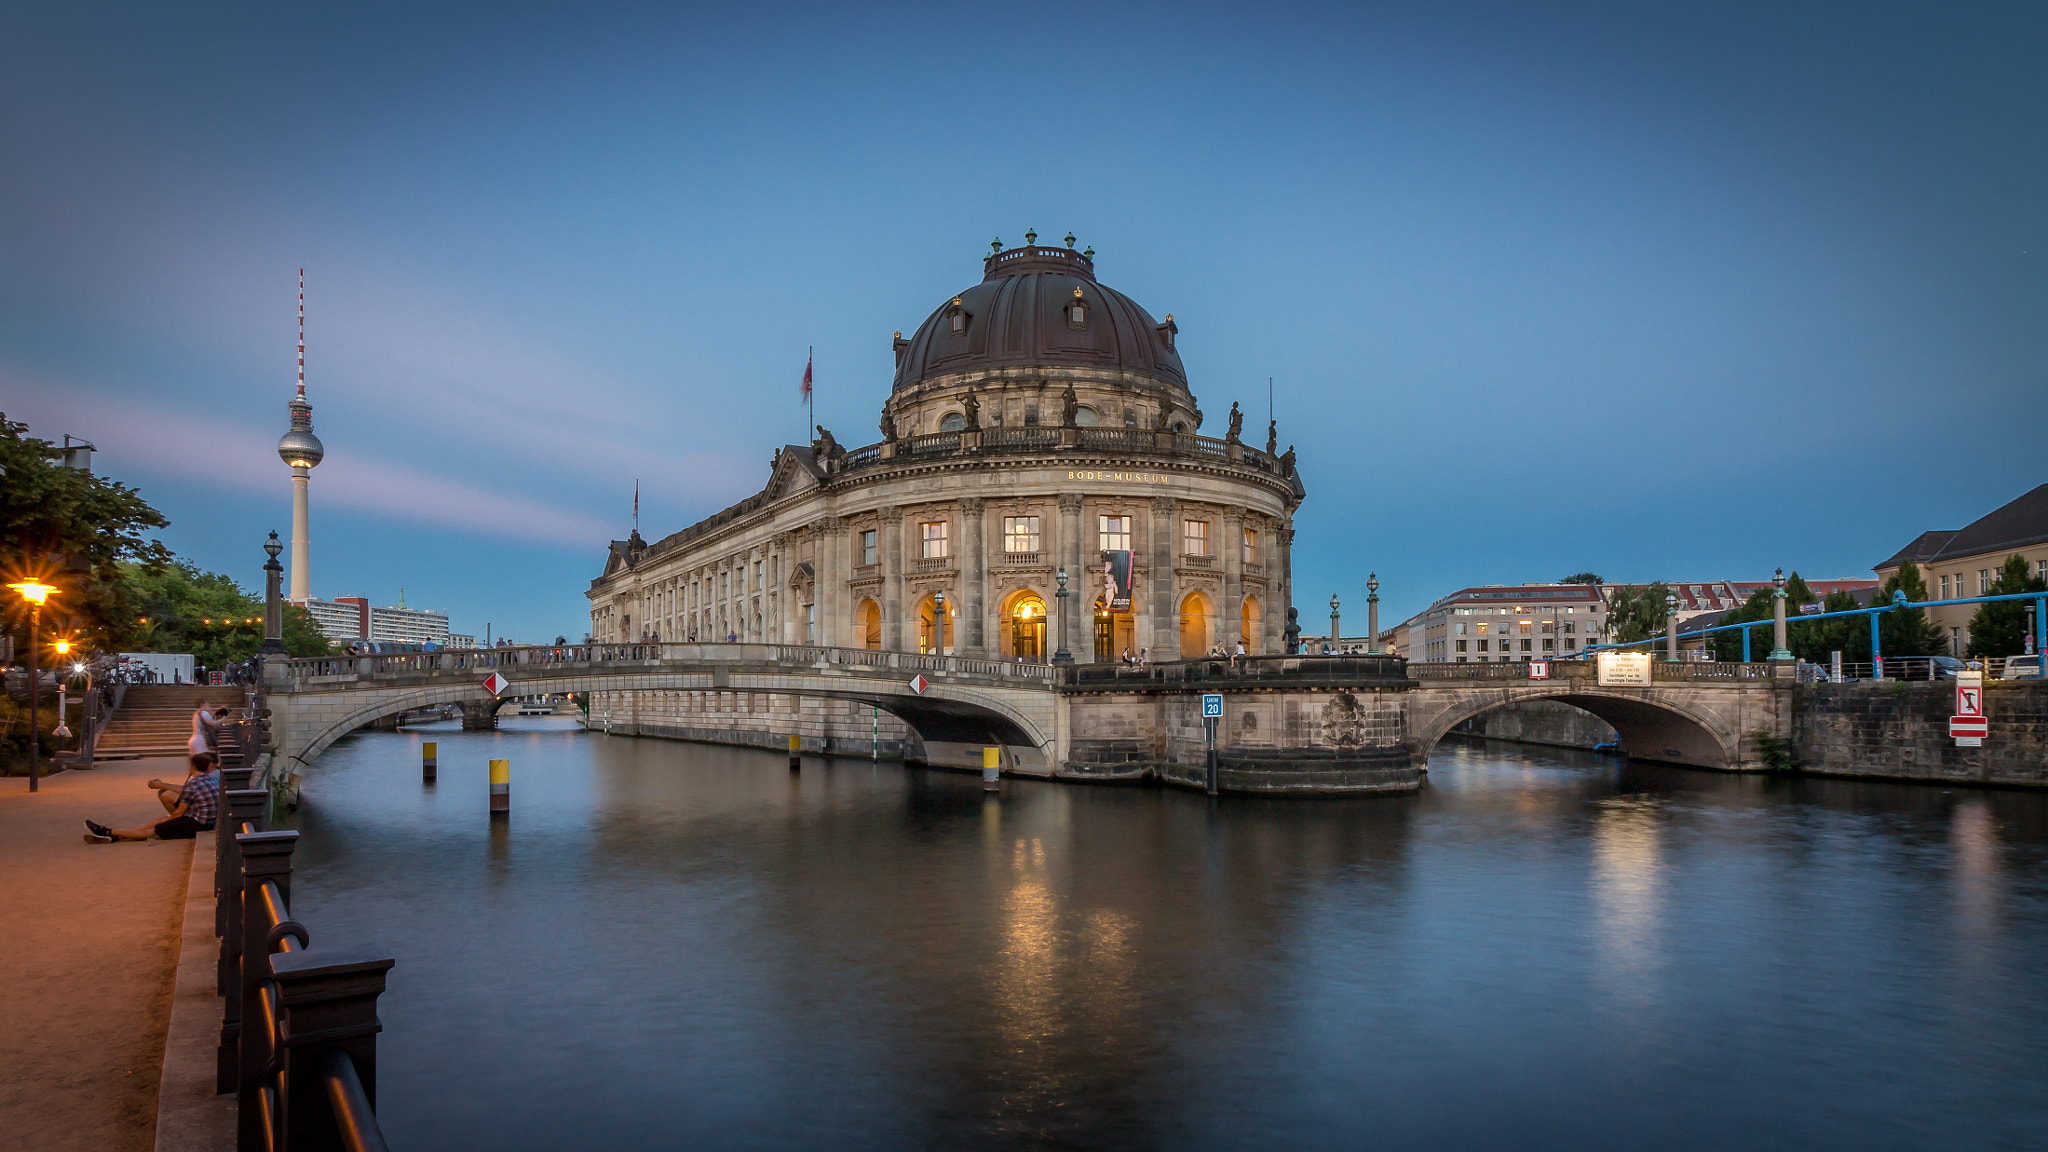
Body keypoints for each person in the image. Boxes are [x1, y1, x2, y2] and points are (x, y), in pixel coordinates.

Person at [85, 752, 220, 843]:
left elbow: (179, 813)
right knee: (159, 819)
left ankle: (109, 832)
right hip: (206, 822)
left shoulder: (193, 784)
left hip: (198, 825)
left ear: (193, 766)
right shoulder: (210, 779)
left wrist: (167, 824)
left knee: (153, 830)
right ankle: (116, 835)